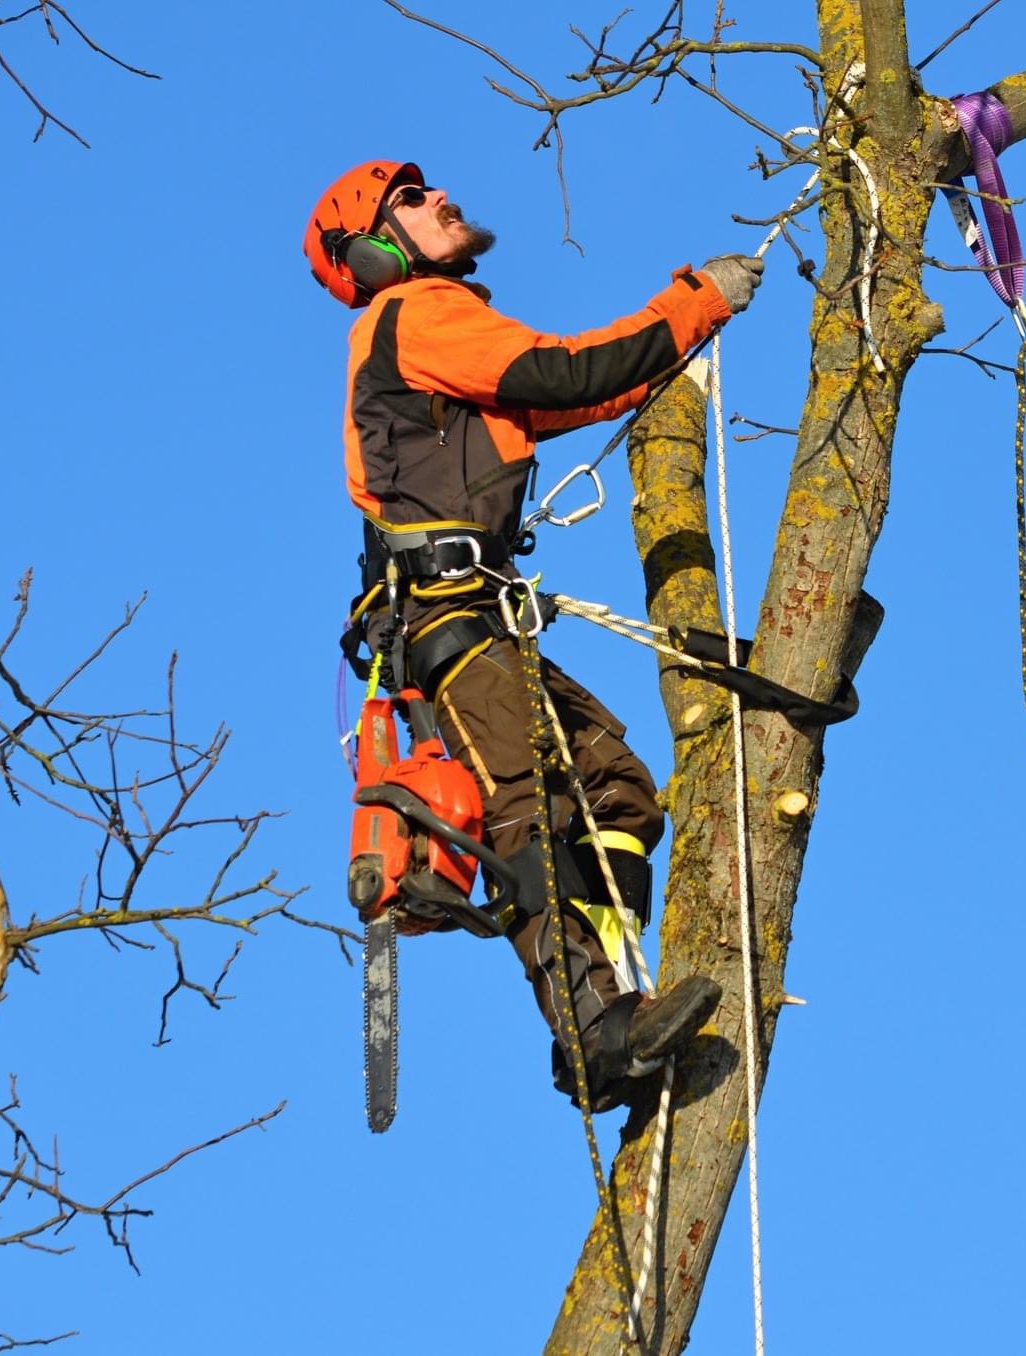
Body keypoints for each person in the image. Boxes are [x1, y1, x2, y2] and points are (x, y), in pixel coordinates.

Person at [303, 160, 764, 1111]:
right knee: (525, 811)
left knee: (618, 795)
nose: (442, 199)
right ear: (375, 242)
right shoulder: (415, 315)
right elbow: (567, 369)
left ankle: (610, 1003)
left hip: (478, 621)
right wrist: (693, 305)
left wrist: (669, 348)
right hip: (444, 622)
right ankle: (598, 1030)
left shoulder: (444, 342)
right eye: (413, 199)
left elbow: (570, 395)